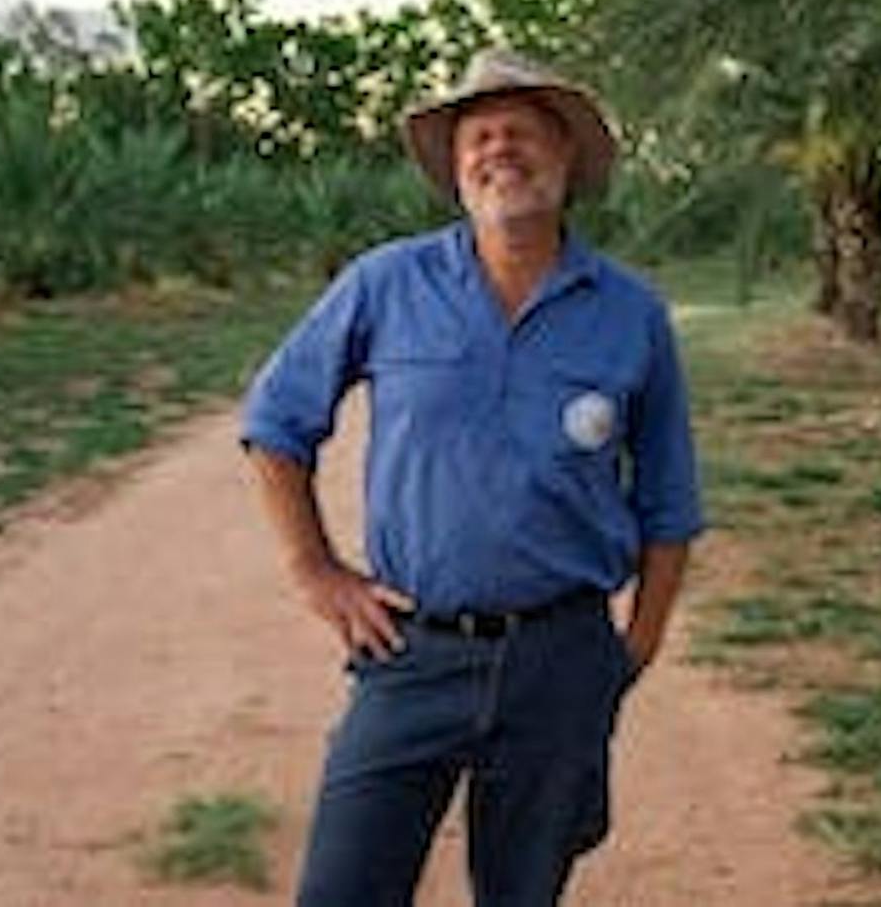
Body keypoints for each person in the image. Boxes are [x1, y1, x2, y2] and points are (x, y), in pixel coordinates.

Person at [240, 48, 702, 906]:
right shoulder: (387, 284)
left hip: (560, 659)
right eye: (477, 137)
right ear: (455, 169)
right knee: (342, 891)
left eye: (521, 132)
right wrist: (317, 573)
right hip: (411, 651)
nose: (498, 149)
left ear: (565, 158)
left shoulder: (630, 314)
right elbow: (275, 425)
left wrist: (629, 653)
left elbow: (670, 505)